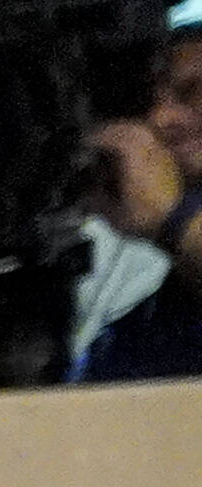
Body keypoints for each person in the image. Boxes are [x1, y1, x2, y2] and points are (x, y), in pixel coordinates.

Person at [84, 30, 202, 385]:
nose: (162, 119)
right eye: (145, 104)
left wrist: (174, 217)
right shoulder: (145, 327)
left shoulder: (174, 225)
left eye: (192, 91)